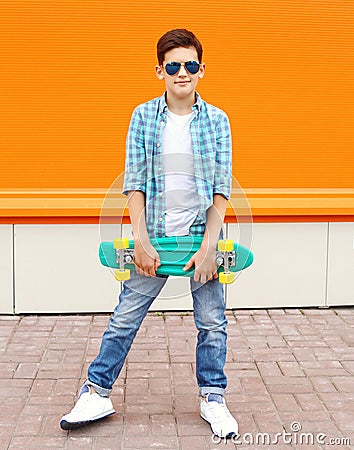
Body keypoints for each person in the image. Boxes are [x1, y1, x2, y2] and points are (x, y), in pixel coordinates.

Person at [60, 28, 238, 438]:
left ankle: (213, 397)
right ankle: (97, 392)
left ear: (202, 69)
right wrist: (140, 239)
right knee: (124, 318)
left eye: (190, 65)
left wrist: (210, 246)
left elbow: (221, 188)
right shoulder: (143, 116)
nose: (182, 72)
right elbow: (135, 182)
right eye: (173, 65)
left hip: (200, 237)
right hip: (154, 237)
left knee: (212, 322)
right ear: (159, 70)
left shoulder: (217, 121)